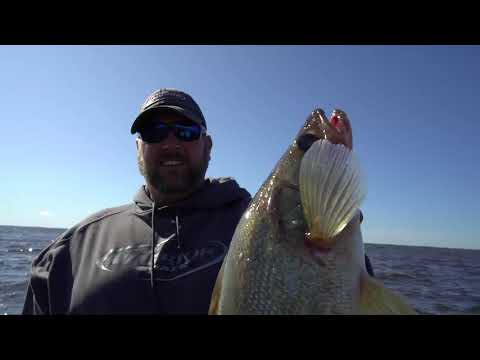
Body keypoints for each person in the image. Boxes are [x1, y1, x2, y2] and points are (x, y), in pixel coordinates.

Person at [23, 88, 374, 315]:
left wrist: (332, 192)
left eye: (187, 132)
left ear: (208, 147)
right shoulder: (69, 251)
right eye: (155, 132)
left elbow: (345, 284)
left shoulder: (256, 222)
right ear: (137, 149)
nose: (171, 142)